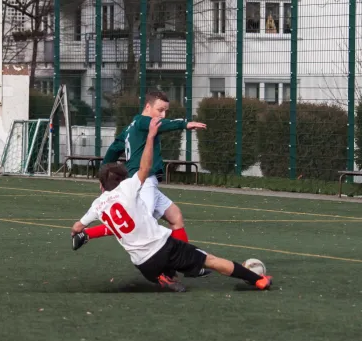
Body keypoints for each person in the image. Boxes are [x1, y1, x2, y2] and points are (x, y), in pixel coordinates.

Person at [71, 118, 272, 292]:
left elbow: (77, 228)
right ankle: (259, 280)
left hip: (144, 265)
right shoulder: (128, 187)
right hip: (163, 249)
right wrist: (150, 137)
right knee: (211, 260)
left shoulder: (97, 205)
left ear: (100, 186)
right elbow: (145, 166)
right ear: (124, 180)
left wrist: (80, 234)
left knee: (170, 226)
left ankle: (163, 277)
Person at [72, 91, 210, 276]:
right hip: (142, 181)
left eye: (165, 111)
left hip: (143, 182)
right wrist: (185, 124)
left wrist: (103, 177)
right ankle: (87, 234)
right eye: (160, 110)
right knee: (138, 223)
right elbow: (160, 125)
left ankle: (187, 266)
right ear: (147, 107)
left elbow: (114, 149)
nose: (162, 115)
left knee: (175, 216)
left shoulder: (131, 127)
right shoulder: (144, 121)